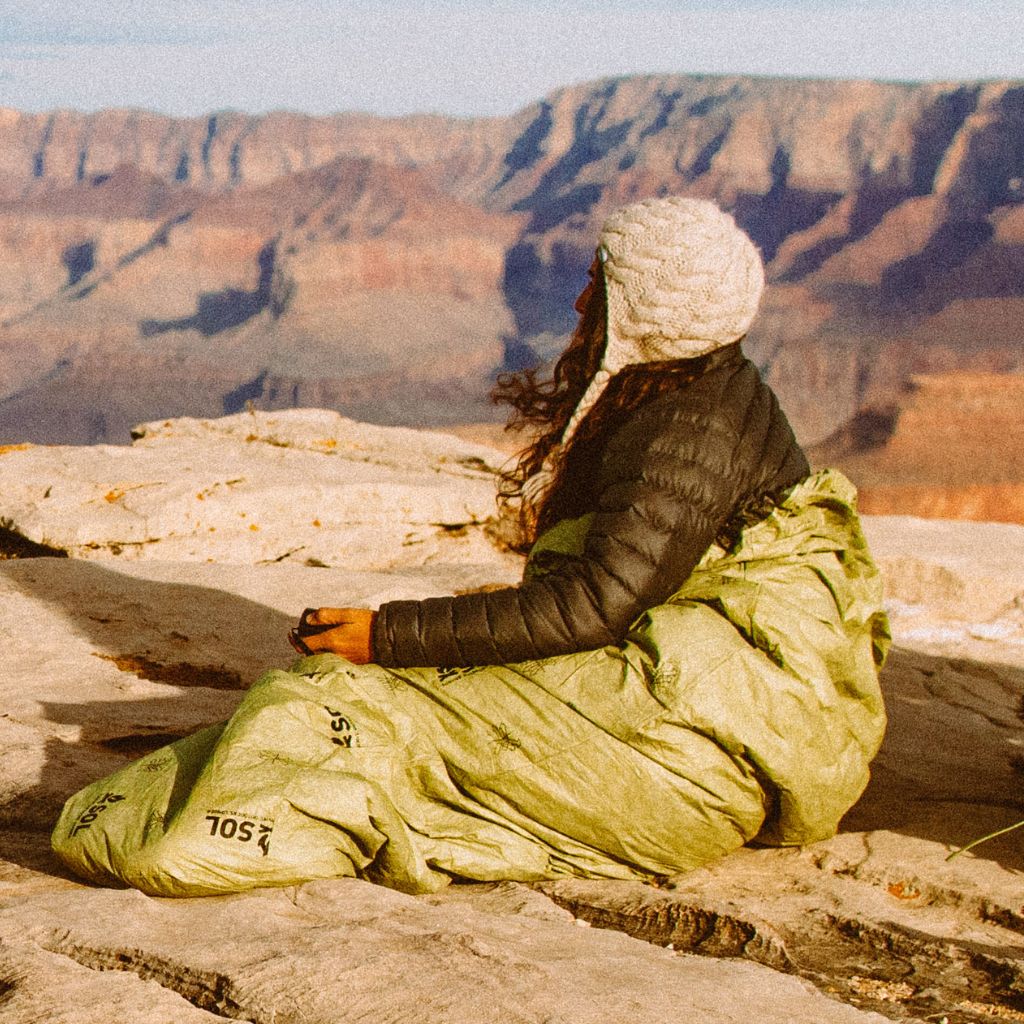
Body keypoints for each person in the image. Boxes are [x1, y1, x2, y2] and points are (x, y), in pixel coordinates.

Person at [53, 197, 889, 897]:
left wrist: (388, 635)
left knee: (353, 702)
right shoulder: (695, 387)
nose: (578, 306)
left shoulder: (684, 433)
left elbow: (593, 606)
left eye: (598, 289)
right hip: (711, 701)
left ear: (646, 316)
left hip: (698, 745)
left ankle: (186, 838)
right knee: (355, 698)